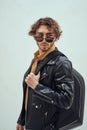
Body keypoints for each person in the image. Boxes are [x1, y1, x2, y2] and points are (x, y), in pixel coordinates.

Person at [16, 17, 74, 130]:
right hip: (32, 124)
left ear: (56, 37)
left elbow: (66, 100)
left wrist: (38, 87)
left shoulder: (61, 63)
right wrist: (22, 119)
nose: (43, 40)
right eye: (39, 36)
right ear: (34, 37)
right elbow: (28, 93)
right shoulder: (37, 60)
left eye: (49, 36)